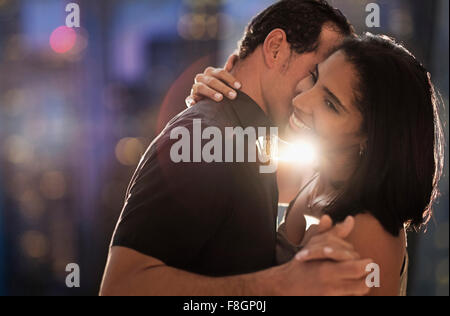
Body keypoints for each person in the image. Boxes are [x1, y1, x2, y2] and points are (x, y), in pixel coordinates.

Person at [100, 0, 373, 296]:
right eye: (316, 75)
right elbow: (120, 288)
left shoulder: (254, 138)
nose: (314, 97)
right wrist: (279, 285)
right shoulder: (204, 137)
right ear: (276, 47)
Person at [186, 33, 444, 296]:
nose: (300, 101)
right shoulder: (317, 171)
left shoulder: (368, 233)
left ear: (370, 137)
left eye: (330, 104)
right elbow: (235, 161)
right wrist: (215, 101)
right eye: (315, 78)